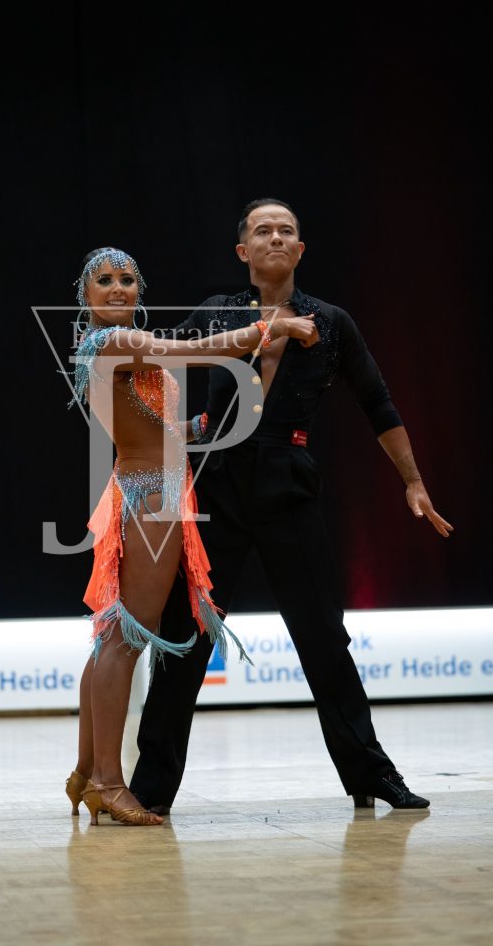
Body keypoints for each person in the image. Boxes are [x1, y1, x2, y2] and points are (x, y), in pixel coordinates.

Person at [129, 198, 453, 814]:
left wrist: (413, 481)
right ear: (243, 251)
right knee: (185, 635)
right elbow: (158, 361)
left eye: (286, 231)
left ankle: (370, 775)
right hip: (219, 484)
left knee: (323, 637)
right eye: (263, 230)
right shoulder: (217, 312)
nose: (275, 237)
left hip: (287, 484)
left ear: (301, 250)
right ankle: (150, 789)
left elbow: (378, 402)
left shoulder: (331, 321)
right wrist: (167, 435)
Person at [64, 246, 318, 826]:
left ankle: (86, 773)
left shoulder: (112, 347)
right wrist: (272, 326)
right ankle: (108, 781)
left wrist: (199, 426)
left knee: (112, 638)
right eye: (104, 280)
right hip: (151, 497)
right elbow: (198, 351)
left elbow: (150, 426)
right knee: (125, 640)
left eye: (128, 279)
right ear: (85, 294)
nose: (118, 288)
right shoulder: (116, 341)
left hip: (146, 489)